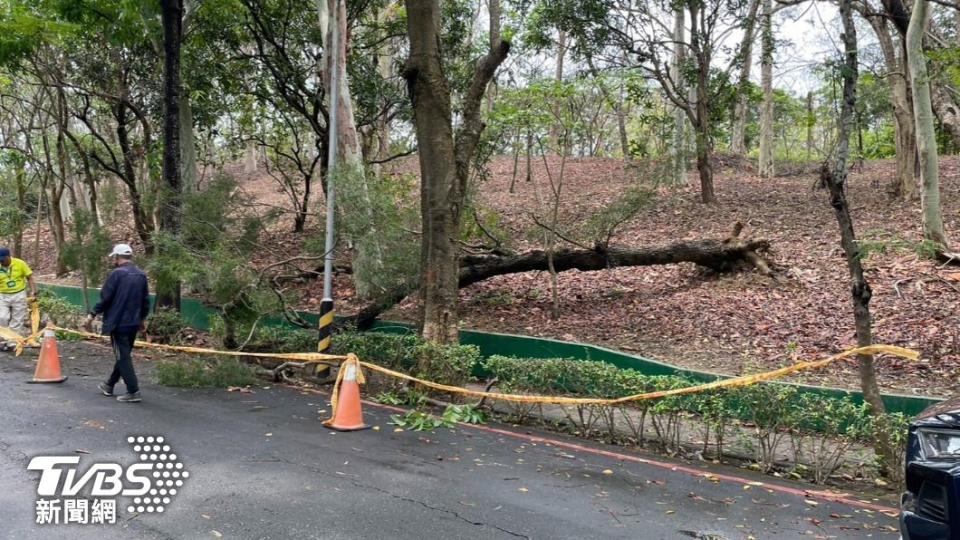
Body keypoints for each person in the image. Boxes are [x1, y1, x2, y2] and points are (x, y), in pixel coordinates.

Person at [82, 244, 150, 403]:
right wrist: (142, 319)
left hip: (119, 322)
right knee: (123, 355)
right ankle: (109, 385)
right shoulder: (141, 275)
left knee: (123, 356)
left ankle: (133, 390)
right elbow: (145, 300)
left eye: (114, 257)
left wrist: (92, 314)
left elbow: (106, 298)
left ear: (117, 257)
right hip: (133, 322)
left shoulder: (116, 274)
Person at [0, 247, 38, 351]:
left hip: (19, 294)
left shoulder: (20, 263)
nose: (1, 262)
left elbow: (29, 277)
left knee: (17, 319)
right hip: (3, 295)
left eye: (3, 259)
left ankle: (12, 343)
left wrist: (33, 291)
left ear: (8, 256)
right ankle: (3, 341)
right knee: (2, 317)